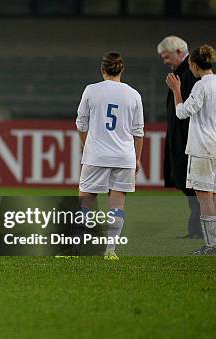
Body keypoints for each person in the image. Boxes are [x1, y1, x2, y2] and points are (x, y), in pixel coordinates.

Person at [157, 36, 216, 239]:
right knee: (214, 196)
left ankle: (211, 244)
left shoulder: (201, 85)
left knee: (204, 198)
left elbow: (182, 112)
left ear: (194, 64)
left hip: (202, 147)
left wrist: (177, 91)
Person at [76, 52, 144, 261]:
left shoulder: (91, 90)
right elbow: (138, 132)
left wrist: (86, 146)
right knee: (117, 205)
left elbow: (81, 124)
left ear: (102, 70)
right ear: (121, 69)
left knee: (85, 201)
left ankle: (78, 248)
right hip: (124, 157)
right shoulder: (134, 94)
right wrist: (137, 159)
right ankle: (110, 250)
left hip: (96, 155)